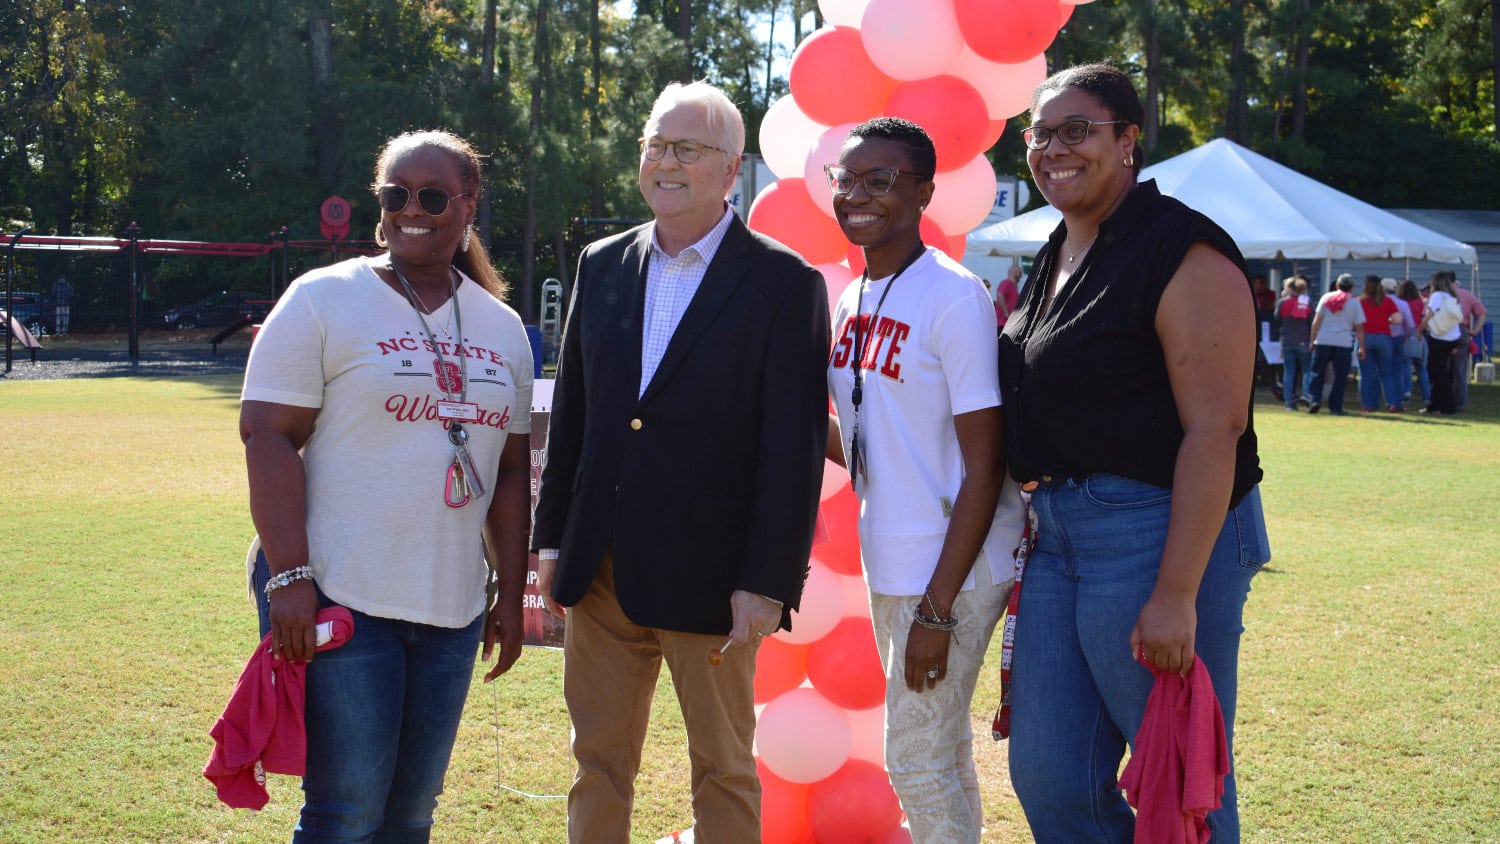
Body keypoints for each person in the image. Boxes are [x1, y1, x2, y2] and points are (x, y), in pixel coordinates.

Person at [530, 81, 830, 844]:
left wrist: (765, 584)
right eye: (655, 145)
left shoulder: (784, 283)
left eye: (686, 149)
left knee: (723, 770)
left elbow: (792, 450)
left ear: (730, 169)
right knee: (596, 762)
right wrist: (552, 538)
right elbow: (577, 417)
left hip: (716, 583)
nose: (665, 161)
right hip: (599, 571)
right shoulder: (601, 264)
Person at [998, 63, 1269, 843]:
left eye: (1076, 129)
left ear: (1127, 141)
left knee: (1179, 779)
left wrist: (1177, 592)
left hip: (1157, 532)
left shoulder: (1182, 249)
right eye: (1040, 134)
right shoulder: (1059, 250)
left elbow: (1215, 428)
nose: (1054, 147)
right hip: (1057, 538)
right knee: (1052, 775)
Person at [239, 130, 534, 841]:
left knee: (410, 816)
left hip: (451, 607)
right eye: (395, 195)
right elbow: (267, 435)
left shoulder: (504, 328)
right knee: (347, 812)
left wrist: (512, 592)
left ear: (468, 207)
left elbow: (511, 471)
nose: (412, 210)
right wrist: (290, 578)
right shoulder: (324, 298)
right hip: (340, 591)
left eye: (432, 196)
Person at [823, 117, 1020, 843]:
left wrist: (937, 613)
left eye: (881, 180)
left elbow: (985, 462)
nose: (857, 195)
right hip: (894, 558)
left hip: (953, 570)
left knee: (912, 757)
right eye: (845, 179)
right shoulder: (852, 299)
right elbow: (873, 442)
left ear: (925, 192)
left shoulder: (953, 296)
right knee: (938, 751)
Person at [1306, 273, 1366, 415]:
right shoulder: (1354, 302)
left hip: (1323, 340)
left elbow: (1316, 321)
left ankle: (1314, 399)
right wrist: (1362, 347)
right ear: (1351, 287)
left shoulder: (1326, 298)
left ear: (1337, 285)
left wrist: (1312, 340)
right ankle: (1335, 405)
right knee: (1340, 376)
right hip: (1343, 342)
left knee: (1317, 372)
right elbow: (1359, 327)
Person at [1419, 270, 1464, 415]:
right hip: (1452, 336)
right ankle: (1438, 404)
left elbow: (1429, 315)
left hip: (1439, 337)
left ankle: (1445, 406)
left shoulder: (1437, 296)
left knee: (1438, 373)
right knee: (1442, 372)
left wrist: (1420, 329)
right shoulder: (1453, 297)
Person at [1356, 274, 1402, 412]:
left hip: (1364, 337)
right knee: (1386, 373)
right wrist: (1385, 320)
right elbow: (1397, 319)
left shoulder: (1359, 301)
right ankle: (1392, 402)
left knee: (1366, 374)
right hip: (1383, 337)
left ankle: (1368, 404)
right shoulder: (1387, 301)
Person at [1450, 272, 1488, 410]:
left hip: (1444, 330)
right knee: (1460, 370)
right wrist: (1475, 330)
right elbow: (1482, 313)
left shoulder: (1440, 294)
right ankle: (1460, 402)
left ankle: (1443, 399)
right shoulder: (1467, 294)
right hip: (1462, 329)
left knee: (1442, 368)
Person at [1275, 276, 1314, 410]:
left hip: (1287, 341)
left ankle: (1289, 402)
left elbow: (1277, 320)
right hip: (1304, 340)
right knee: (1307, 370)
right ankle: (1306, 395)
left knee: (1289, 371)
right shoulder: (1307, 302)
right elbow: (1312, 322)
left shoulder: (1282, 302)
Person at [1383, 277, 1417, 405]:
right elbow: (1410, 324)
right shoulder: (1402, 304)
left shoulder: (1379, 302)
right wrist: (1406, 337)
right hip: (1397, 337)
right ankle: (1398, 398)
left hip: (1382, 335)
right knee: (1397, 369)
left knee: (1381, 369)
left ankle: (1380, 397)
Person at [1398, 279, 1430, 406]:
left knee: (1405, 364)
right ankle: (1427, 396)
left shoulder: (1401, 303)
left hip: (1406, 335)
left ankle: (1406, 391)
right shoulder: (1419, 303)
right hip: (1419, 335)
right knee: (1421, 367)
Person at [994, 263, 1022, 330]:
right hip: (1004, 324)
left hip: (1009, 325)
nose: (1021, 275)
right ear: (1014, 272)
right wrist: (1005, 312)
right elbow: (1000, 295)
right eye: (1020, 272)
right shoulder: (1007, 283)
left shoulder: (1013, 287)